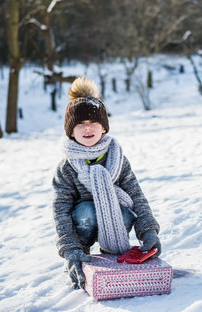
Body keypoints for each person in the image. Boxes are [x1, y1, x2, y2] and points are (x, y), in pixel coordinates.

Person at [52, 76, 161, 289]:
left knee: (124, 210)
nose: (87, 128)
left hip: (115, 219)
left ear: (104, 127)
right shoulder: (66, 167)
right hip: (82, 223)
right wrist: (71, 250)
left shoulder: (116, 158)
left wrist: (148, 231)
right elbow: (60, 210)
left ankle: (112, 253)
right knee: (86, 211)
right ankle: (82, 255)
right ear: (71, 131)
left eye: (93, 122)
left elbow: (136, 195)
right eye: (80, 124)